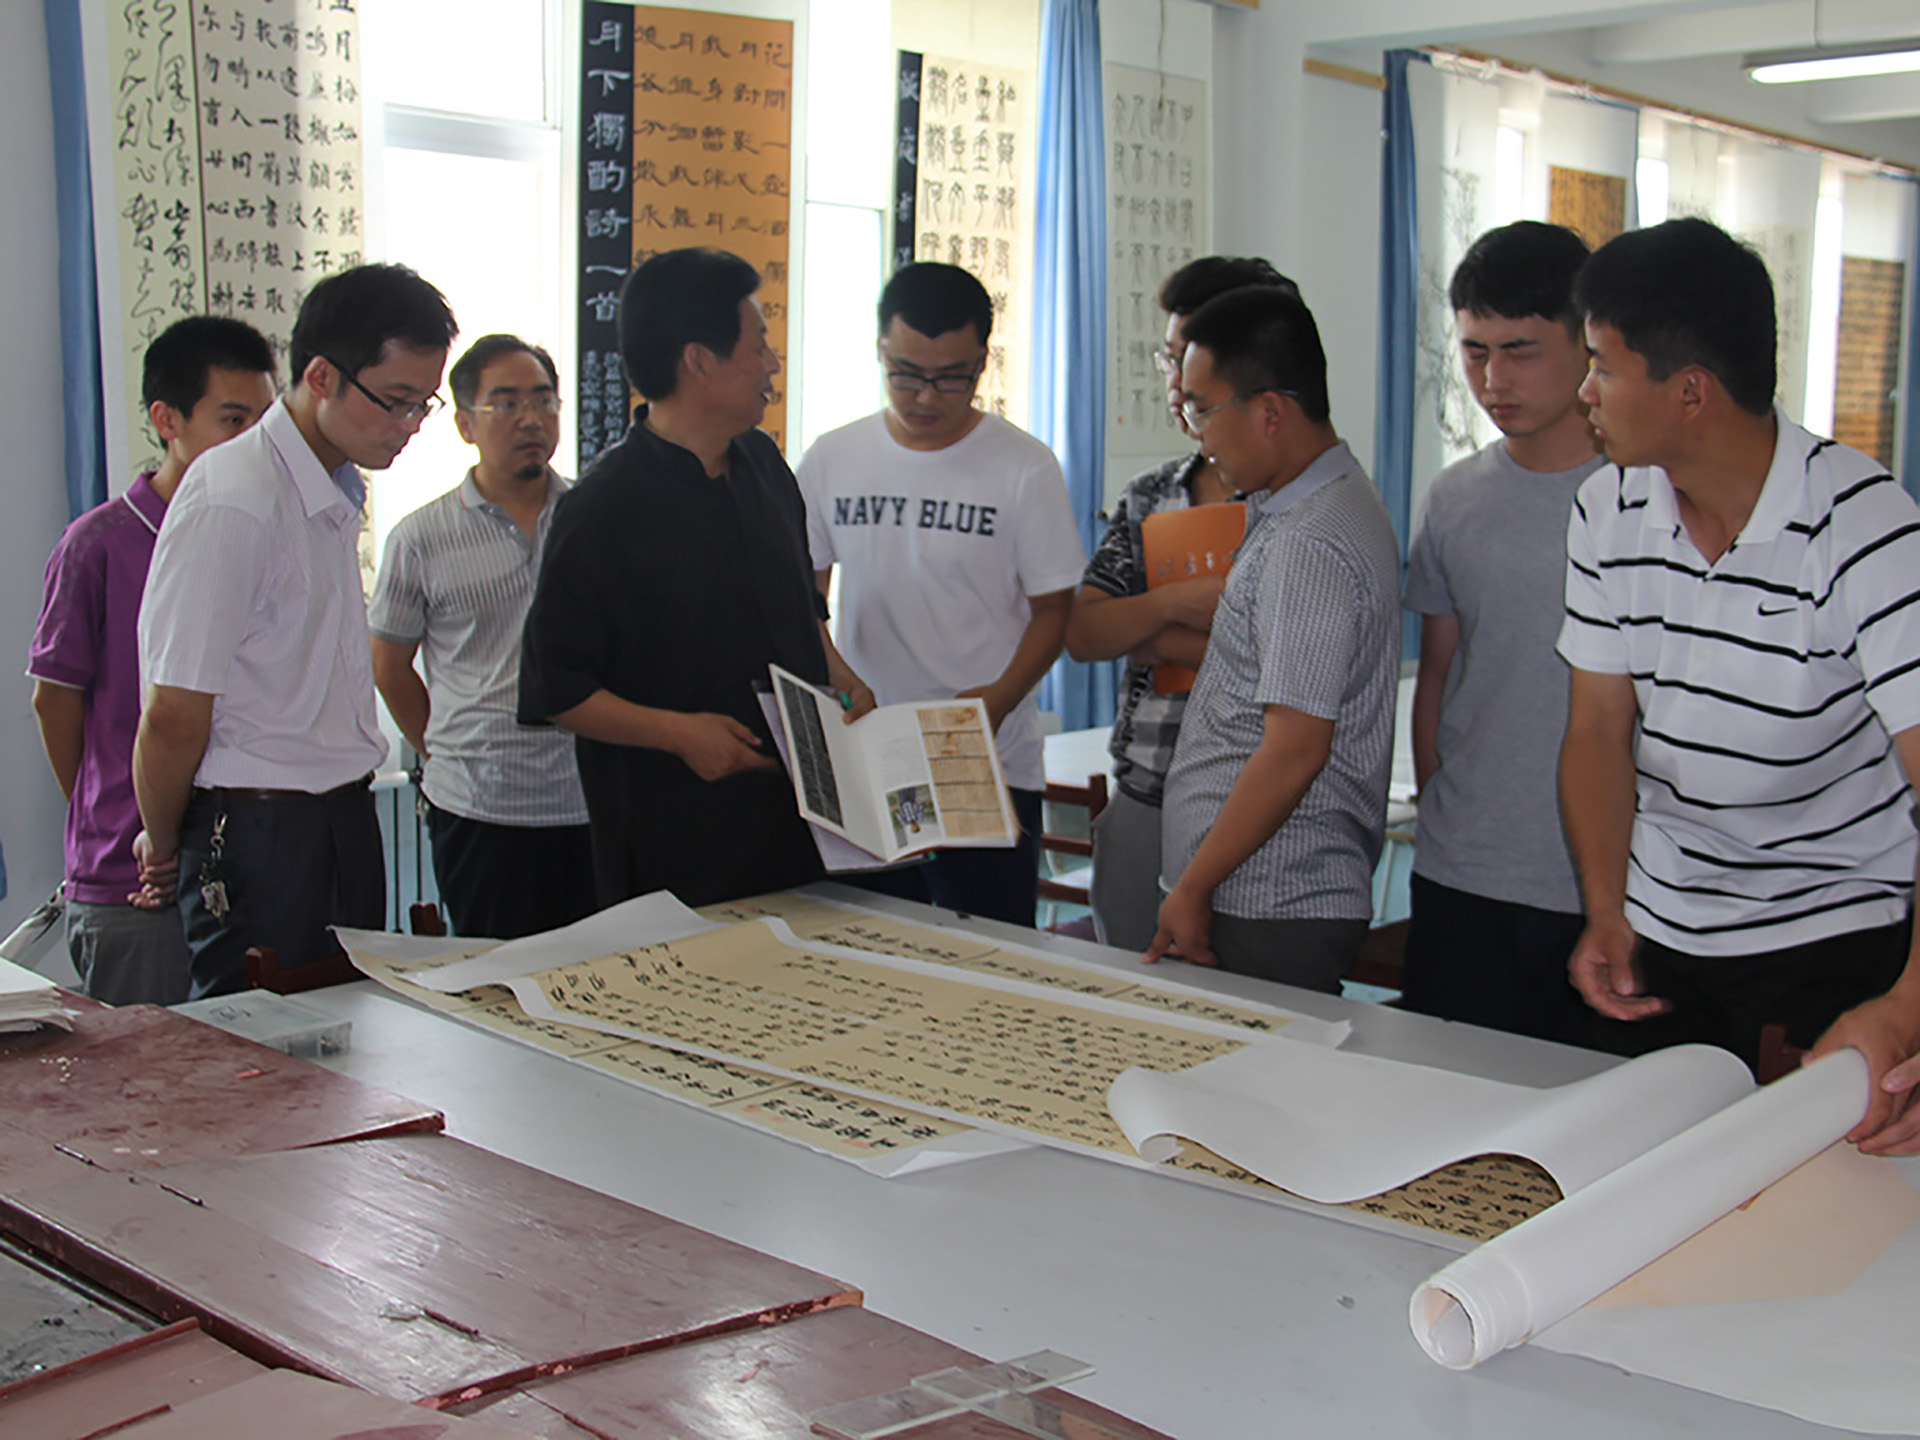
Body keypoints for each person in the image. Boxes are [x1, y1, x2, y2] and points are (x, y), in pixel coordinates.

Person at [1558, 217, 1920, 1154]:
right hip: (1664, 929)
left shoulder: (1865, 527)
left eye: (1601, 366)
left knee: (1819, 1207)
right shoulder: (1607, 506)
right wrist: (1607, 909)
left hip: (1831, 936)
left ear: (1690, 391)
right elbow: (1597, 730)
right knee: (1637, 1179)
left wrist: (1908, 1006)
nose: (1583, 392)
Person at [134, 264, 459, 998]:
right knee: (259, 1054)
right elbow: (173, 712)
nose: (410, 425)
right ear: (321, 376)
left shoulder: (333, 484)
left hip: (342, 818)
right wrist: (165, 838)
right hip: (258, 835)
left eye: (423, 403)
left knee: (351, 1039)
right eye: (395, 401)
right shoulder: (234, 496)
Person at [518, 247, 874, 910]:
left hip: (798, 828)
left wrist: (841, 675)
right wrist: (680, 734)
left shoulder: (764, 464)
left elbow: (800, 603)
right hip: (673, 843)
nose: (772, 364)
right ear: (699, 360)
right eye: (758, 346)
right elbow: (556, 688)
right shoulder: (601, 509)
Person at [797, 263, 1084, 926]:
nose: (926, 397)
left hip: (984, 762)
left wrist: (999, 700)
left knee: (987, 951)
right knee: (872, 946)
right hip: (869, 756)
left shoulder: (1024, 467)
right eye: (905, 374)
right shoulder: (834, 458)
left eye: (952, 377)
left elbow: (1055, 611)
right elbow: (806, 594)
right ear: (879, 350)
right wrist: (838, 677)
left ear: (982, 360)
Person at [1147, 285, 1399, 989]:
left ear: (1269, 412)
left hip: (1266, 900)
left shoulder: (1309, 540)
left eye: (1202, 408)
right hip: (1260, 894)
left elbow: (1295, 748)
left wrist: (1193, 887)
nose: (1195, 432)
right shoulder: (1312, 505)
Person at [28, 317, 276, 1004]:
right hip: (133, 881)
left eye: (265, 422)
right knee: (148, 1066)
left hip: (242, 865)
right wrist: (114, 810)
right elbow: (55, 699)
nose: (254, 443)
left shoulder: (263, 531)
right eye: (233, 420)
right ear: (168, 420)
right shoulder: (99, 544)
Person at [1400, 222, 1601, 1043]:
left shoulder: (1646, 494)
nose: (1492, 379)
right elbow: (1440, 673)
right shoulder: (1455, 497)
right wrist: (1439, 807)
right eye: (1474, 352)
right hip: (1464, 871)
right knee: (1448, 1090)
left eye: (1520, 351)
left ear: (1588, 341)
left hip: (1597, 880)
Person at [1065, 256, 1295, 951]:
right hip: (1147, 796)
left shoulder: (1304, 508)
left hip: (1268, 814)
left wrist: (1149, 634)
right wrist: (1178, 605)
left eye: (1193, 361)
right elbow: (1084, 631)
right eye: (1170, 359)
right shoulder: (1151, 494)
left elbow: (1290, 666)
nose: (1176, 384)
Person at [369, 335, 595, 939]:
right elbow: (389, 666)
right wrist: (445, 753)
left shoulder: (594, 518)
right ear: (465, 423)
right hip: (479, 808)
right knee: (497, 976)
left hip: (590, 800)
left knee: (598, 973)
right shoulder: (422, 537)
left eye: (544, 401)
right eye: (507, 403)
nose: (531, 419)